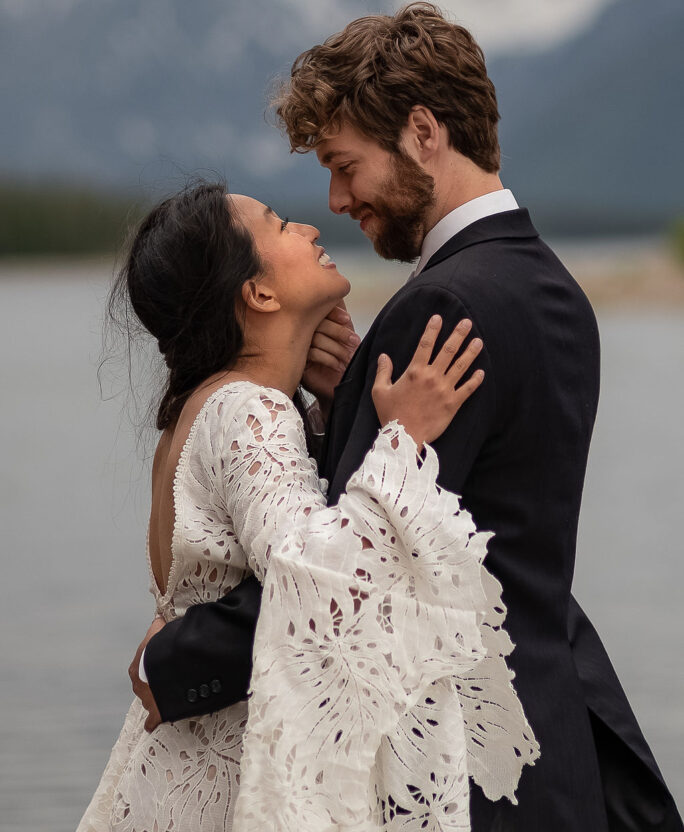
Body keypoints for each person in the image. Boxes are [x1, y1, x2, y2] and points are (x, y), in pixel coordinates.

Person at [133, 4, 683, 831]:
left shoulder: (440, 305)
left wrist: (168, 662)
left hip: (462, 773)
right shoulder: (551, 289)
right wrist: (351, 397)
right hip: (553, 743)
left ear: (423, 133)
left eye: (345, 165)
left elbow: (354, 588)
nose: (336, 197)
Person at [77, 182, 537, 831]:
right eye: (280, 224)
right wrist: (401, 438)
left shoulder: (209, 406)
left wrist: (336, 413)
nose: (311, 229)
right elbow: (310, 574)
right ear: (259, 293)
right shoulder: (249, 411)